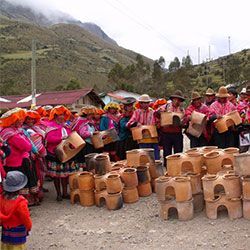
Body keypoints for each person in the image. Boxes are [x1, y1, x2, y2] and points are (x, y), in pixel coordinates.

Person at [0, 108, 39, 206]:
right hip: (17, 163)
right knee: (21, 184)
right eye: (19, 119)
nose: (21, 121)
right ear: (13, 121)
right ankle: (21, 205)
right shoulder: (12, 134)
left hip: (13, 162)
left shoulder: (12, 131)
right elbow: (27, 146)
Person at [45, 105, 78, 201]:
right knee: (56, 176)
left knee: (65, 175)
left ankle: (64, 193)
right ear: (55, 116)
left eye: (63, 114)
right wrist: (61, 139)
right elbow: (49, 139)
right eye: (60, 115)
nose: (62, 117)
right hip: (55, 153)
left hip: (67, 153)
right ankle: (58, 194)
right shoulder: (50, 126)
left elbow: (71, 136)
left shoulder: (66, 126)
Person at [0, 171, 32, 250]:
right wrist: (29, 227)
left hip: (5, 229)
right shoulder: (21, 202)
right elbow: (25, 218)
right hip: (18, 230)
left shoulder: (1, 198)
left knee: (6, 246)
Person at [155, 90, 185, 165]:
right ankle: (168, 170)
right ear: (172, 99)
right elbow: (155, 113)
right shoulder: (165, 107)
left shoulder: (182, 110)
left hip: (177, 134)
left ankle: (178, 168)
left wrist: (182, 122)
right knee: (167, 154)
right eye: (175, 99)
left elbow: (185, 121)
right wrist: (162, 113)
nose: (177, 101)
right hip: (166, 134)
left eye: (179, 100)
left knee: (178, 153)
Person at [127, 94, 160, 160]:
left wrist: (158, 123)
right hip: (142, 139)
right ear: (140, 103)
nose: (145, 104)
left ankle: (155, 169)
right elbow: (128, 124)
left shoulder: (153, 112)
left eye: (147, 103)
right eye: (143, 103)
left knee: (155, 158)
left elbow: (158, 124)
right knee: (144, 159)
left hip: (153, 139)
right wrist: (136, 123)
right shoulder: (137, 112)